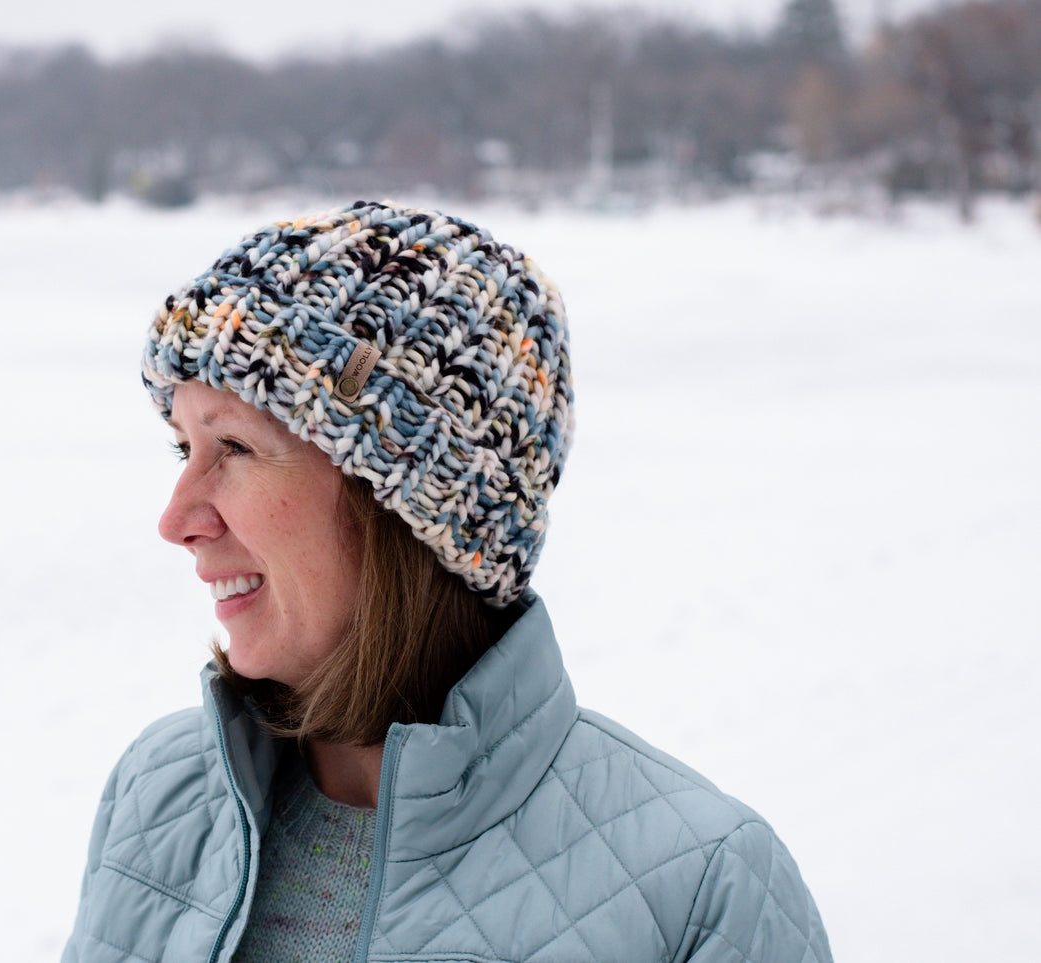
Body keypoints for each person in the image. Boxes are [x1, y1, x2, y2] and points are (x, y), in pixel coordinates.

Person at [60, 201, 831, 963]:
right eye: (182, 448)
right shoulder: (160, 791)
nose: (177, 517)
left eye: (234, 446)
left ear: (409, 510)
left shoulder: (699, 885)